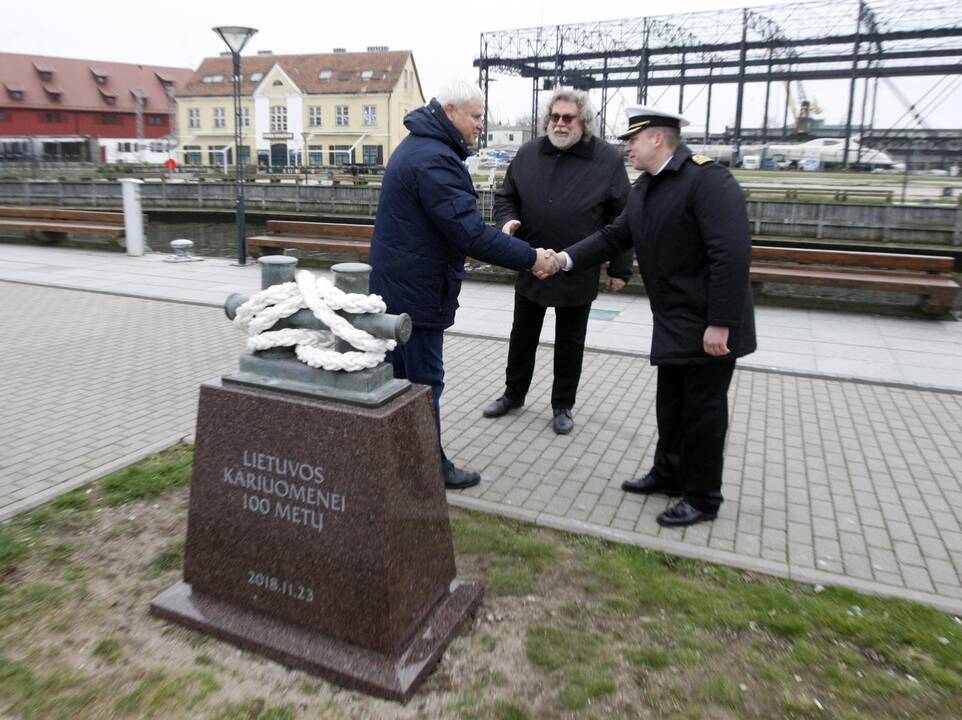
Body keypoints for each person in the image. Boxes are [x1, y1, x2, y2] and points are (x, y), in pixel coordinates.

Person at [542, 105, 756, 527]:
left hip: (708, 322)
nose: (627, 147)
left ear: (658, 139)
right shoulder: (647, 186)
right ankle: (668, 473)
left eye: (633, 140)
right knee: (671, 405)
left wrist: (722, 321)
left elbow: (731, 254)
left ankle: (702, 497)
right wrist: (564, 259)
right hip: (674, 319)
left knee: (703, 412)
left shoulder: (708, 180)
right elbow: (614, 236)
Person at [369, 80, 558, 491]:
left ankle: (397, 461)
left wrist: (494, 239)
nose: (481, 123)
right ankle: (426, 469)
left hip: (401, 289)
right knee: (422, 384)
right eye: (475, 115)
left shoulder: (419, 147)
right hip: (415, 298)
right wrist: (530, 256)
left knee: (402, 383)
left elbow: (448, 229)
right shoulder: (435, 159)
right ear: (450, 111)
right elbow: (468, 234)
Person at [481, 89, 632, 435]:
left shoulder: (606, 159)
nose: (560, 124)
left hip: (578, 266)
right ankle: (513, 394)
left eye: (568, 118)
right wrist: (506, 224)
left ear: (584, 122)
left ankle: (562, 404)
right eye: (555, 117)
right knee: (522, 336)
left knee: (570, 342)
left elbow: (622, 217)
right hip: (531, 261)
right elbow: (507, 198)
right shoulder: (528, 153)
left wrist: (620, 268)